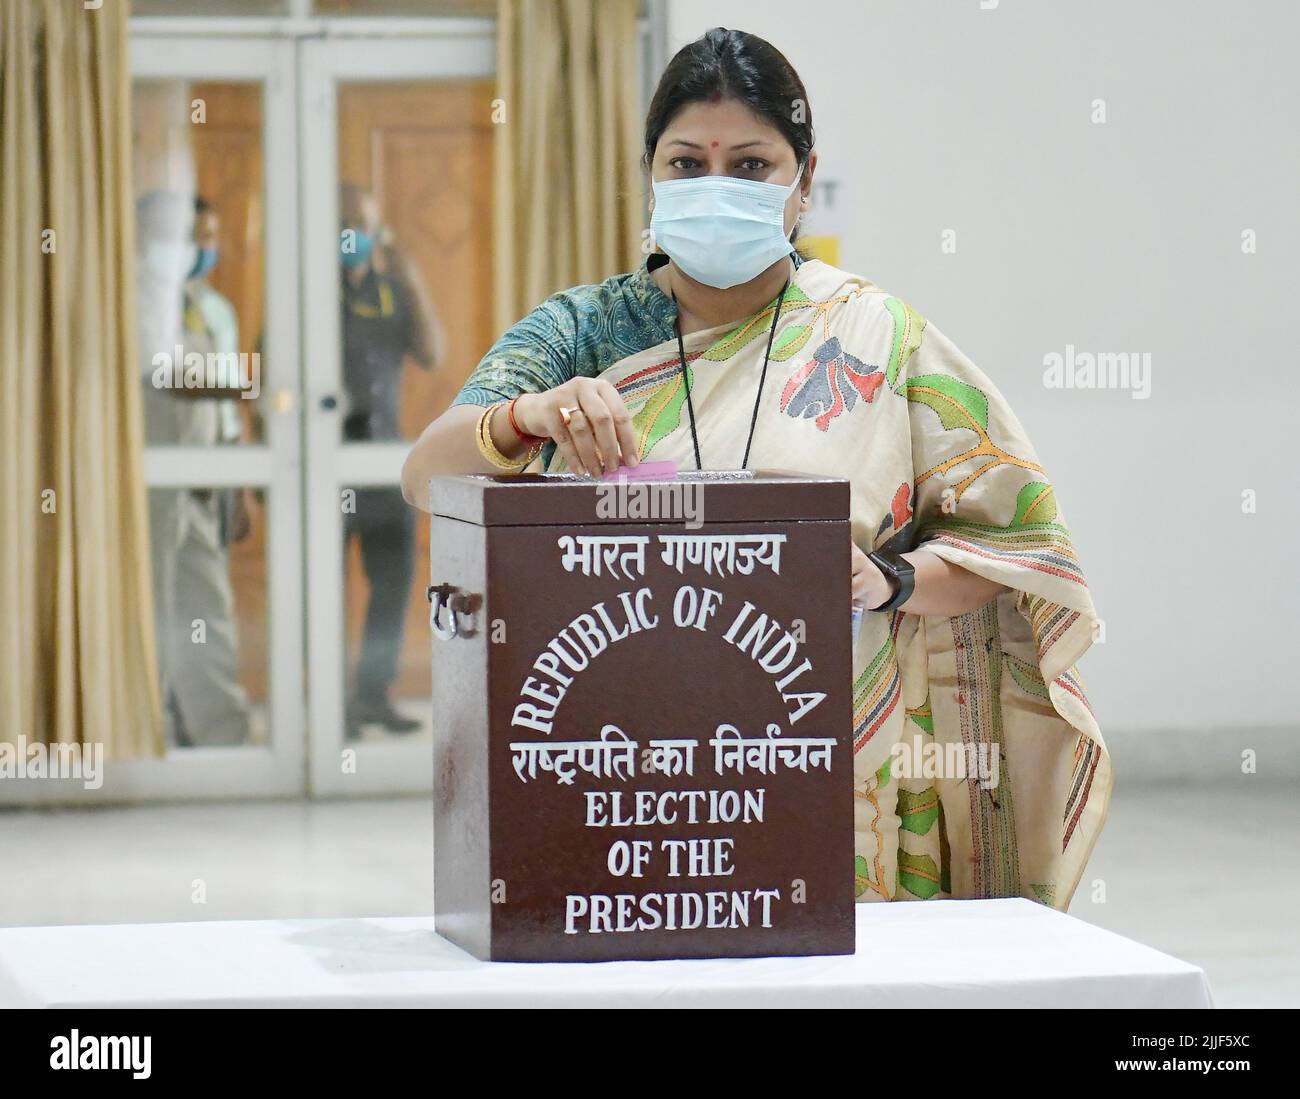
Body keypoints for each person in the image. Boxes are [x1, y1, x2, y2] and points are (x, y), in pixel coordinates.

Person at [400, 28, 1111, 910]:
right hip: (618, 760)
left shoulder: (878, 338)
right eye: (687, 163)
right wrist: (526, 415)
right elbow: (424, 474)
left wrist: (887, 578)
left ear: (804, 181)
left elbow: (1014, 546)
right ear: (650, 175)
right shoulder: (584, 330)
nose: (715, 187)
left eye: (750, 165)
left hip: (828, 759)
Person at [138, 191, 252, 747]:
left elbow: (226, 411)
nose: (195, 248)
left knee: (207, 605)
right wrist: (261, 379)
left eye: (203, 236)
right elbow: (167, 374)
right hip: (152, 480)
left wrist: (238, 480)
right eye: (180, 236)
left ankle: (221, 737)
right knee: (154, 605)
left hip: (205, 477)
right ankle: (147, 728)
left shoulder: (209, 307)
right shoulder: (135, 298)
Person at [338, 183, 444, 738]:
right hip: (326, 466)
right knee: (323, 589)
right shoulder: (309, 294)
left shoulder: (391, 289)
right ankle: (331, 708)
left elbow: (432, 352)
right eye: (345, 224)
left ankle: (372, 698)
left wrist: (411, 278)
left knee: (393, 582)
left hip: (384, 460)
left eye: (365, 225)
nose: (354, 236)